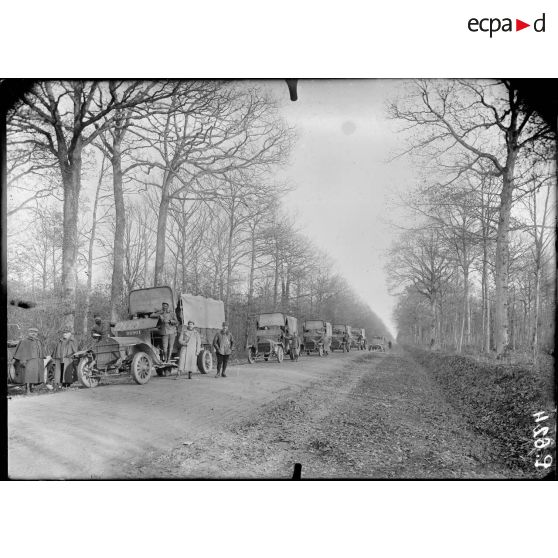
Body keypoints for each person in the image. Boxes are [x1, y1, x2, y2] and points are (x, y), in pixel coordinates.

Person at [12, 327, 47, 393]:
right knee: (28, 375)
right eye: (32, 332)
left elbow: (41, 352)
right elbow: (20, 351)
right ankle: (27, 389)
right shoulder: (24, 341)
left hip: (37, 361)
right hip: (28, 361)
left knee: (34, 375)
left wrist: (41, 359)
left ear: (37, 333)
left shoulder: (38, 341)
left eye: (35, 332)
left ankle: (31, 388)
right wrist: (22, 360)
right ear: (28, 333)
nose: (33, 334)